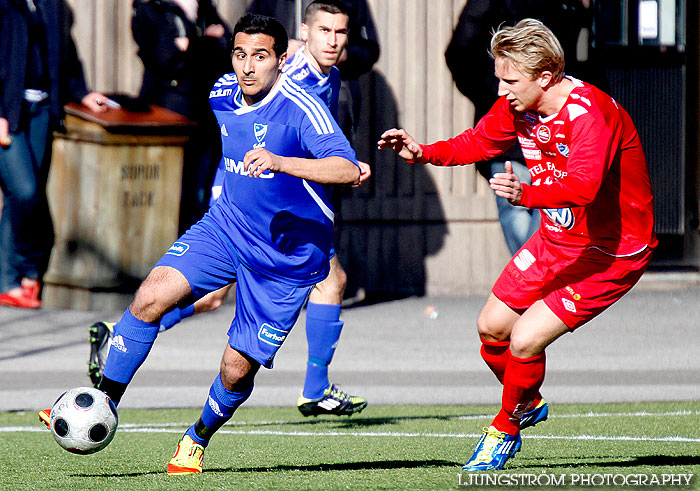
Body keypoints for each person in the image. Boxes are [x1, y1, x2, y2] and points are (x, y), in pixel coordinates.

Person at [45, 13, 361, 475]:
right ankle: (100, 404)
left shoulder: (302, 106)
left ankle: (197, 437)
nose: (248, 66)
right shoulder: (222, 93)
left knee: (236, 368)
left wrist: (282, 162)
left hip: (286, 258)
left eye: (260, 56)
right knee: (151, 295)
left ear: (281, 59)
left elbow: (348, 168)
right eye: (240, 55)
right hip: (226, 227)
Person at [378, 19, 656, 471]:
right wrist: (423, 152)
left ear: (545, 77)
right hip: (558, 238)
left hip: (611, 251)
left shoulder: (591, 114)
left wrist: (527, 195)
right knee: (491, 327)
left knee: (525, 338)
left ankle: (503, 430)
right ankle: (528, 401)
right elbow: (477, 142)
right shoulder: (516, 106)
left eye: (510, 80)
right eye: (499, 78)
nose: (502, 89)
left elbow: (585, 187)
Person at [445, 1, 593, 255]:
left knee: (551, 210)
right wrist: (498, 95)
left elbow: (582, 58)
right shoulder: (489, 5)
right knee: (516, 208)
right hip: (511, 131)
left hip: (556, 123)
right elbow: (461, 52)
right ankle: (536, 277)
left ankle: (535, 278)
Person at [0, 0, 108, 309]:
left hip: (42, 110)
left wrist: (82, 92)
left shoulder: (53, 5)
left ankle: (9, 282)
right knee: (25, 190)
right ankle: (28, 267)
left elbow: (65, 56)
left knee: (18, 197)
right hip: (9, 111)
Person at [131, 0, 233, 233]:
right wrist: (208, 42)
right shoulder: (150, 8)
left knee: (201, 190)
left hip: (206, 113)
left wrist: (191, 45)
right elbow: (165, 56)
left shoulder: (204, 7)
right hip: (170, 112)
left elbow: (230, 48)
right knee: (173, 189)